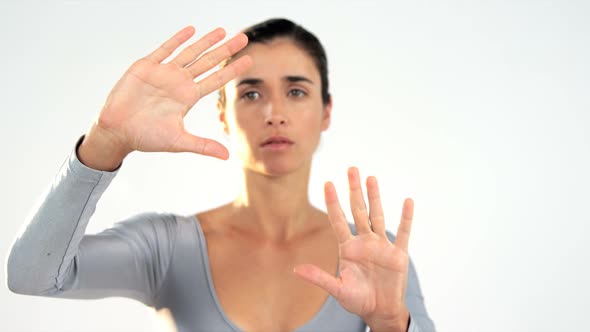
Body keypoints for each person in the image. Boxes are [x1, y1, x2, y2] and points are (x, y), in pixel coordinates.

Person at [6, 18, 435, 332]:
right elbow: (32, 276)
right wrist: (105, 142)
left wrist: (391, 322)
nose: (274, 114)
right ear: (222, 115)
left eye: (296, 91)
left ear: (326, 111)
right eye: (251, 93)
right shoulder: (168, 248)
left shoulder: (374, 255)